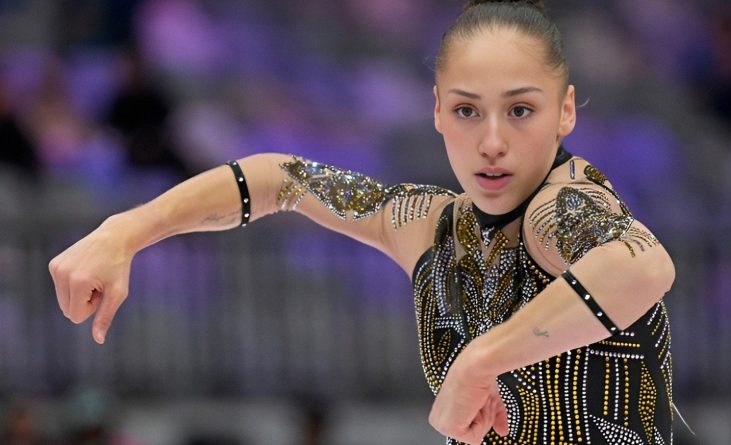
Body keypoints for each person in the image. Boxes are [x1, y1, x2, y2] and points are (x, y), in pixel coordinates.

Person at [49, 1, 677, 444]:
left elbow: (643, 264)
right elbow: (283, 178)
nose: (492, 142)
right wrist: (125, 230)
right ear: (435, 110)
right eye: (466, 110)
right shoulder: (430, 225)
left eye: (520, 110)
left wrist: (479, 361)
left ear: (565, 111)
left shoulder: (560, 208)